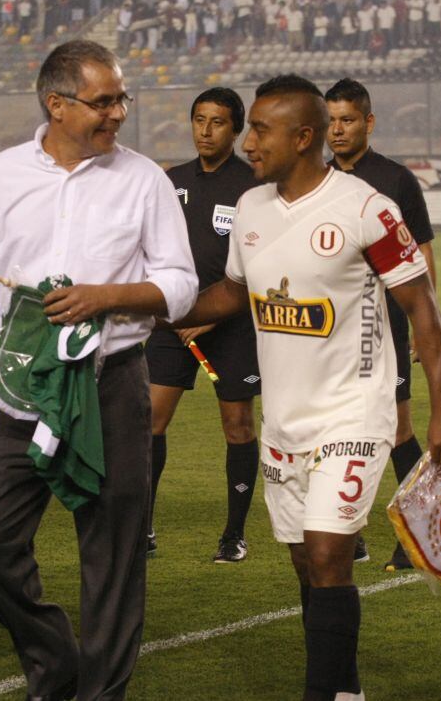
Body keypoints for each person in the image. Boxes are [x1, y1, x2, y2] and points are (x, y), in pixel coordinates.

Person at [0, 39, 197, 701]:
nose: (117, 113)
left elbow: (181, 285)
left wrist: (110, 296)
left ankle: (101, 694)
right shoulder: (1, 177)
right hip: (26, 393)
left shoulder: (144, 179)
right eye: (104, 101)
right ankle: (54, 661)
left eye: (121, 98)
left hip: (114, 388)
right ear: (57, 103)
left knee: (114, 558)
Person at [173, 73, 441, 701]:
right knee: (308, 564)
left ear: (303, 138)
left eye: (260, 130)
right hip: (285, 421)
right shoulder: (251, 207)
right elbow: (235, 288)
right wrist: (160, 308)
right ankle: (347, 687)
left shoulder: (365, 208)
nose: (249, 143)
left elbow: (423, 309)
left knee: (332, 556)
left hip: (354, 412)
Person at [324, 78, 437, 572]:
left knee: (396, 429)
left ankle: (416, 535)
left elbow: (423, 253)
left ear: (368, 122)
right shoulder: (318, 180)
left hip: (386, 322)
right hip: (331, 329)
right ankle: (352, 535)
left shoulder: (395, 179)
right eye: (330, 121)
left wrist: (421, 321)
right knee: (336, 432)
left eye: (347, 120)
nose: (337, 130)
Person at [148, 87, 261, 563]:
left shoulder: (254, 186)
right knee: (149, 421)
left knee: (237, 425)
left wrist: (212, 315)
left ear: (235, 130)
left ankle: (233, 535)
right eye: (199, 120)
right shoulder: (169, 182)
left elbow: (264, 263)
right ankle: (141, 529)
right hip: (172, 323)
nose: (206, 130)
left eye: (217, 122)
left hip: (231, 324)